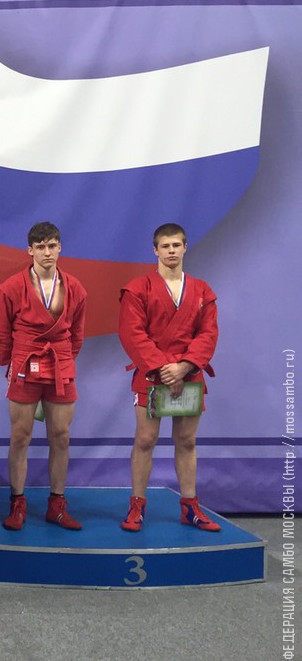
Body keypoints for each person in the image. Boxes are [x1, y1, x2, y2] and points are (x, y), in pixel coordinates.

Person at [118, 223, 220, 532]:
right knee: (145, 440)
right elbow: (132, 333)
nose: (171, 250)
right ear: (155, 250)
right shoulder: (138, 289)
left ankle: (190, 507)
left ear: (185, 247)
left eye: (176, 245)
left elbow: (208, 333)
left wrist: (184, 366)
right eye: (165, 246)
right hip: (153, 374)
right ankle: (137, 505)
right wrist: (164, 367)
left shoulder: (202, 291)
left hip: (189, 374)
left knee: (187, 441)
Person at [0, 222, 87, 532]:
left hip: (60, 361)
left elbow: (77, 332)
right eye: (41, 246)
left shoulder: (75, 287)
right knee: (20, 436)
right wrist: (11, 362)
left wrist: (65, 358)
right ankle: (17, 502)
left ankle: (57, 505)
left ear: (60, 248)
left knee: (61, 436)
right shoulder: (10, 288)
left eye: (52, 245)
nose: (47, 252)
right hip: (25, 362)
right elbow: (1, 332)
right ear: (30, 250)